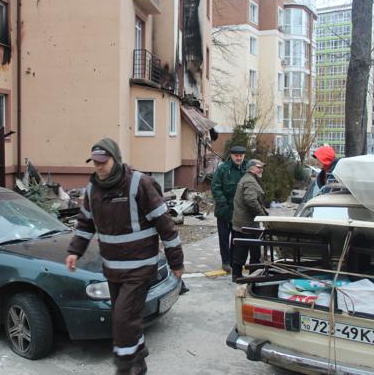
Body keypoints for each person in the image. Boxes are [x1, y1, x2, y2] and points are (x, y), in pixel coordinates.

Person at [66, 138, 184, 375]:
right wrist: (74, 251)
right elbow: (84, 224)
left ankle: (128, 368)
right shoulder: (93, 190)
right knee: (126, 318)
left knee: (121, 320)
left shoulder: (139, 184)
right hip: (113, 268)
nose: (99, 167)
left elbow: (165, 225)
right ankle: (138, 354)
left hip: (140, 268)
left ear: (116, 160)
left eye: (103, 161)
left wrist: (176, 261)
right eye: (95, 163)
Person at [211, 145, 247, 273]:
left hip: (239, 211)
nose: (239, 158)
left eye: (241, 156)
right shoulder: (223, 169)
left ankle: (233, 260)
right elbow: (215, 186)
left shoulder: (247, 168)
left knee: (236, 238)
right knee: (224, 238)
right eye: (236, 156)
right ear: (231, 156)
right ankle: (225, 261)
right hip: (224, 210)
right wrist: (222, 202)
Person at [231, 159, 268, 282]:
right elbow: (251, 200)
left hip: (242, 223)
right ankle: (250, 275)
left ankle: (239, 275)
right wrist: (262, 215)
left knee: (242, 250)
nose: (261, 169)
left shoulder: (247, 179)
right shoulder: (250, 181)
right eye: (259, 167)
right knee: (251, 251)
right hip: (247, 224)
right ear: (251, 168)